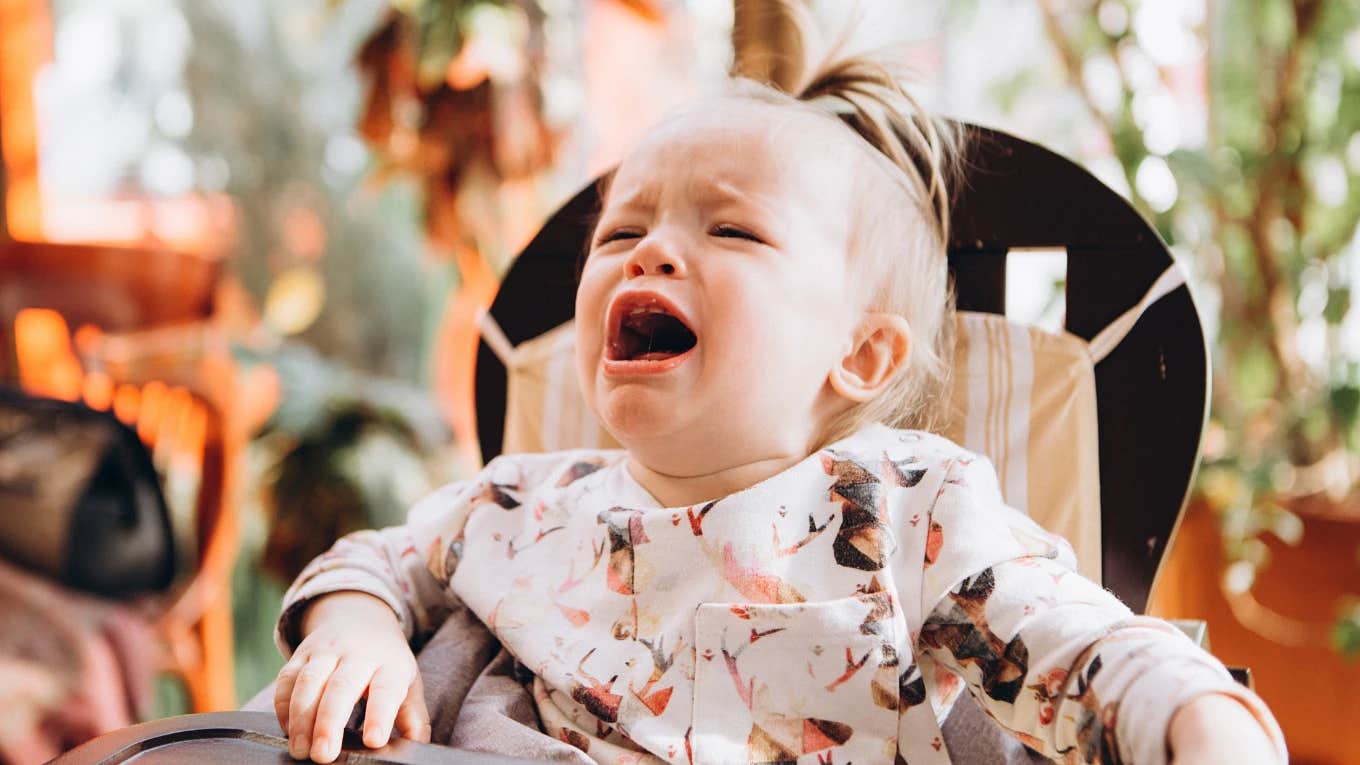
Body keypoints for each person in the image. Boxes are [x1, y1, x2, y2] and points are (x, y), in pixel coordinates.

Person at [269, 33, 1287, 765]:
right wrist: (355, 628)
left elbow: (1071, 643)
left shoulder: (908, 511)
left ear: (861, 353)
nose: (653, 250)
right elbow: (377, 560)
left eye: (734, 232)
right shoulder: (523, 501)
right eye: (621, 235)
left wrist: (1193, 718)